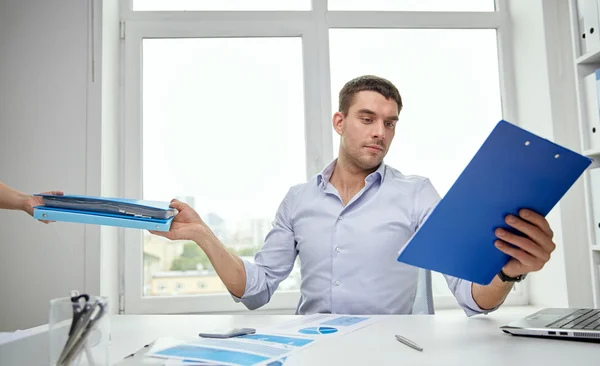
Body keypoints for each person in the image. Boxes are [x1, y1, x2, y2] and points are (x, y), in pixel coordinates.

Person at [150, 75, 556, 316]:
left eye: (390, 123)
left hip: (391, 353)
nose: (381, 131)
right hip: (312, 349)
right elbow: (255, 289)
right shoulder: (298, 199)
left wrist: (508, 271)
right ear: (340, 122)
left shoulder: (417, 193)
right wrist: (204, 234)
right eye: (368, 118)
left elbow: (470, 297)